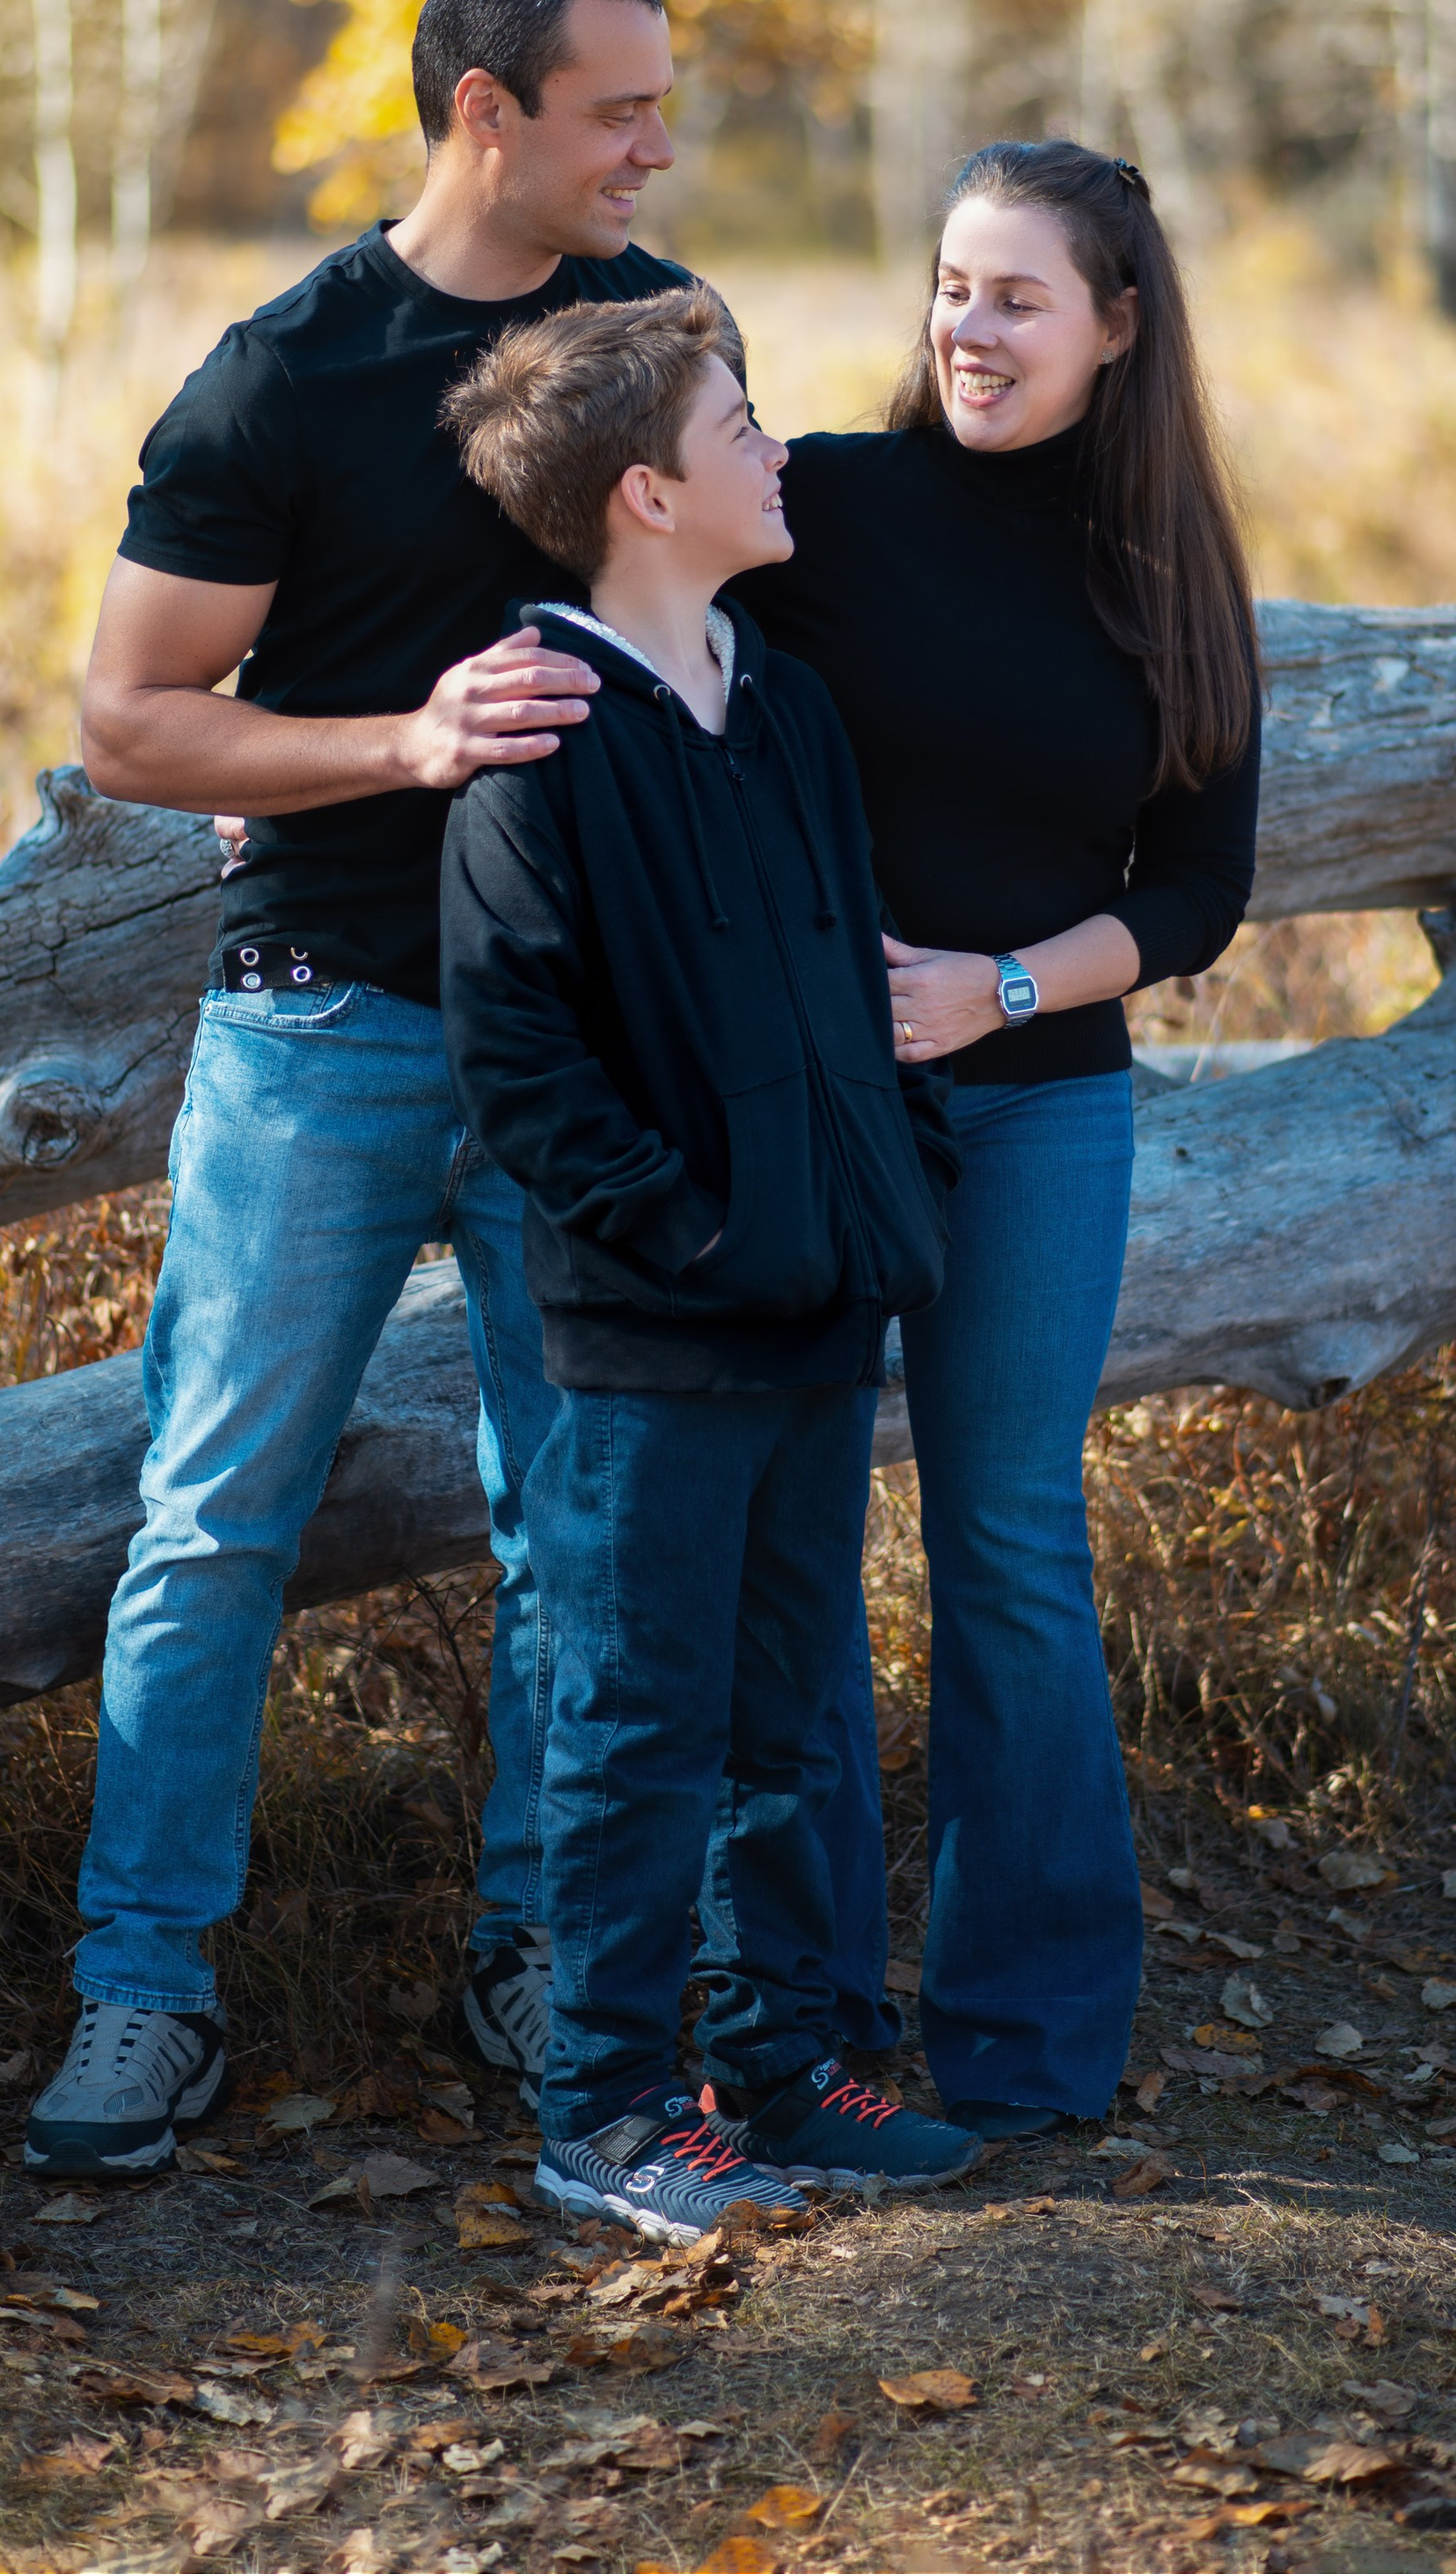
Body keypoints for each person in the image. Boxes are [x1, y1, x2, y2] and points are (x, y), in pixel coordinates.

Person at [25, 0, 700, 2180]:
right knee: (213, 1516)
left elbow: (719, 619)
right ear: (483, 108)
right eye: (615, 108)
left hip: (583, 1040)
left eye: (659, 104)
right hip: (325, 1026)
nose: (653, 145)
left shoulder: (657, 334)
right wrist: (400, 743)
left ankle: (542, 1952)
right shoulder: (280, 380)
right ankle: (142, 1993)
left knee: (570, 1517)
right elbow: (131, 720)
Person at [439, 285, 981, 2233]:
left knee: (795, 1703)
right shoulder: (538, 730)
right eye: (741, 424)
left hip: (827, 1305)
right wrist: (699, 1234)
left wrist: (876, 1196)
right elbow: (516, 1068)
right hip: (655, 1337)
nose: (779, 448)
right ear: (648, 492)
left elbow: (859, 976)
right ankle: (600, 2105)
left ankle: (780, 2064)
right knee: (635, 1712)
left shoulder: (784, 702)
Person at [750, 141, 1261, 2138]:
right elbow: (619, 632)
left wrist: (1003, 988)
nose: (966, 327)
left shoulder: (1164, 579)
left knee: (1009, 1552)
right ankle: (791, 2022)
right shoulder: (824, 507)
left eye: (1016, 296)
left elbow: (1196, 892)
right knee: (787, 1551)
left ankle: (1029, 2041)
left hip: (1040, 1111)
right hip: (807, 1117)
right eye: (951, 286)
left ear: (1117, 327)